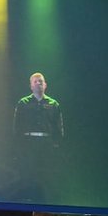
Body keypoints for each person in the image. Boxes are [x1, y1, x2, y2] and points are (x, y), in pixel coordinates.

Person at [11, 72, 64, 201]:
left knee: (47, 172)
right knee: (28, 171)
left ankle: (46, 200)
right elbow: (17, 125)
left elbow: (59, 126)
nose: (38, 83)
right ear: (31, 86)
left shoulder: (53, 104)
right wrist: (20, 144)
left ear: (45, 85)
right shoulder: (23, 103)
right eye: (35, 81)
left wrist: (56, 144)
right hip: (28, 142)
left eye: (41, 81)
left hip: (46, 142)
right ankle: (28, 198)